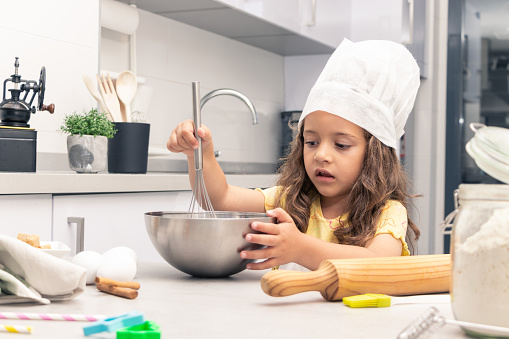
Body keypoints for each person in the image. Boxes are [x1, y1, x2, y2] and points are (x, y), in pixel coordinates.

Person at [167, 38, 421, 271]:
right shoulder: (292, 200)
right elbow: (220, 199)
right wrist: (200, 154)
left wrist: (300, 248)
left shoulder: (387, 212)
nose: (321, 154)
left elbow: (378, 264)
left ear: (375, 155)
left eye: (341, 145)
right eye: (311, 141)